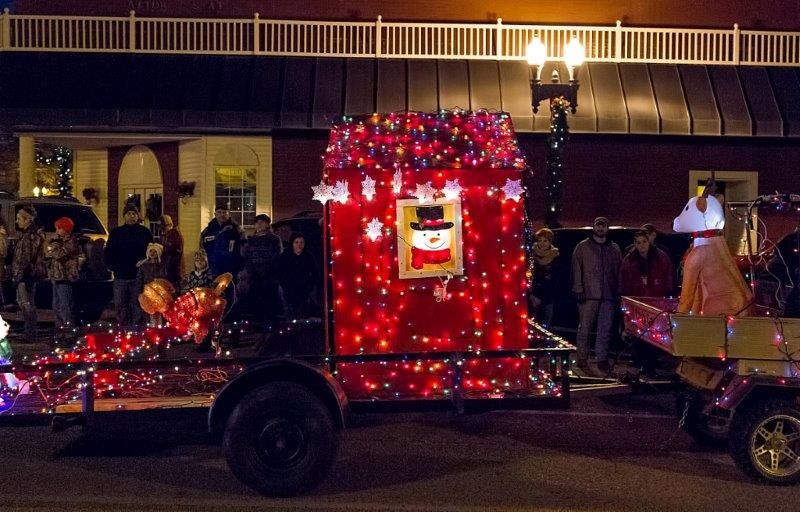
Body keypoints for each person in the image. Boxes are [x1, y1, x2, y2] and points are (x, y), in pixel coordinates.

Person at [571, 216, 622, 376]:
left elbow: (619, 271)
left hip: (608, 295)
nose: (600, 229)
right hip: (588, 294)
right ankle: (582, 357)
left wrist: (618, 291)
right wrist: (578, 288)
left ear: (607, 228)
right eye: (598, 226)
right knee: (584, 328)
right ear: (594, 227)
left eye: (603, 226)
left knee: (604, 329)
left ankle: (601, 358)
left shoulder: (614, 249)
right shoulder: (582, 247)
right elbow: (576, 269)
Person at [105, 203, 153, 327]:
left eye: (134, 214)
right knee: (120, 302)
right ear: (124, 216)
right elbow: (109, 251)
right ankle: (123, 324)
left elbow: (151, 249)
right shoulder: (117, 233)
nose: (132, 216)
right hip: (120, 273)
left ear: (138, 216)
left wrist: (145, 261)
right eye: (129, 214)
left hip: (137, 273)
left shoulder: (144, 232)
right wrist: (112, 265)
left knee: (136, 301)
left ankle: (136, 325)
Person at [240, 214, 283, 324]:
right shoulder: (251, 240)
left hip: (269, 278)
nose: (259, 224)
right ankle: (258, 331)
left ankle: (270, 331)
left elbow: (277, 257)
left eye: (262, 222)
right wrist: (252, 273)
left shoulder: (274, 239)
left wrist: (269, 273)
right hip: (255, 278)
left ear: (267, 224)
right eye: (257, 222)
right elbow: (247, 258)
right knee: (256, 306)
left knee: (270, 306)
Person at [11, 206, 46, 341]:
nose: (17, 221)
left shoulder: (30, 237)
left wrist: (19, 275)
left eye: (19, 219)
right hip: (24, 274)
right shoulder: (26, 235)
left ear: (28, 220)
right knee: (23, 303)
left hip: (27, 275)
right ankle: (28, 332)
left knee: (27, 304)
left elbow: (26, 258)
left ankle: (30, 334)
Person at [45, 217, 80, 330]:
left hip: (65, 278)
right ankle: (59, 327)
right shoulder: (59, 241)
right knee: (56, 305)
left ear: (65, 229)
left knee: (64, 305)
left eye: (58, 228)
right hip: (56, 277)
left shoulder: (71, 242)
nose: (56, 231)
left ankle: (68, 327)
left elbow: (57, 254)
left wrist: (52, 245)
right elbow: (48, 253)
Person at [619, 229, 674, 298]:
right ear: (635, 244)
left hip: (657, 298)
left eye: (644, 241)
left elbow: (668, 276)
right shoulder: (629, 260)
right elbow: (624, 280)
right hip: (637, 299)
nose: (642, 245)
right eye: (639, 243)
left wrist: (667, 292)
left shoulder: (660, 257)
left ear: (648, 242)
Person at [277, 232, 317, 319]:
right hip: (289, 288)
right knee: (290, 311)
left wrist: (310, 286)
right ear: (292, 243)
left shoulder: (308, 256)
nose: (299, 245)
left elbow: (314, 272)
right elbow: (280, 271)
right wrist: (285, 284)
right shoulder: (285, 256)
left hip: (304, 289)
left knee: (303, 311)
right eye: (296, 242)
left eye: (302, 242)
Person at [200, 204, 242, 279]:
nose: (222, 214)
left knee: (230, 288)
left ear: (228, 214)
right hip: (213, 267)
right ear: (215, 214)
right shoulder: (207, 231)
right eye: (219, 212)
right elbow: (202, 249)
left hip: (231, 268)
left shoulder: (236, 229)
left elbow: (243, 247)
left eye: (224, 212)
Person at [530, 227, 559, 327]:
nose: (542, 243)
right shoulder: (531, 254)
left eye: (545, 240)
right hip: (533, 297)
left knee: (547, 326)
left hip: (548, 297)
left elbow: (555, 280)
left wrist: (543, 298)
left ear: (550, 241)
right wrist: (532, 295)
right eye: (540, 240)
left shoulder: (555, 255)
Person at [137, 243, 167, 326]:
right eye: (151, 251)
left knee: (159, 310)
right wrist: (139, 292)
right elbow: (139, 280)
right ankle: (151, 328)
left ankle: (159, 327)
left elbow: (165, 278)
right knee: (150, 311)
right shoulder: (143, 266)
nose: (152, 253)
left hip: (159, 292)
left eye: (155, 251)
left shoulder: (162, 266)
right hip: (147, 292)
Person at [160, 214, 184, 288]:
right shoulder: (168, 234)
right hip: (170, 268)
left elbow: (175, 251)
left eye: (163, 227)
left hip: (173, 269)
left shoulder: (174, 234)